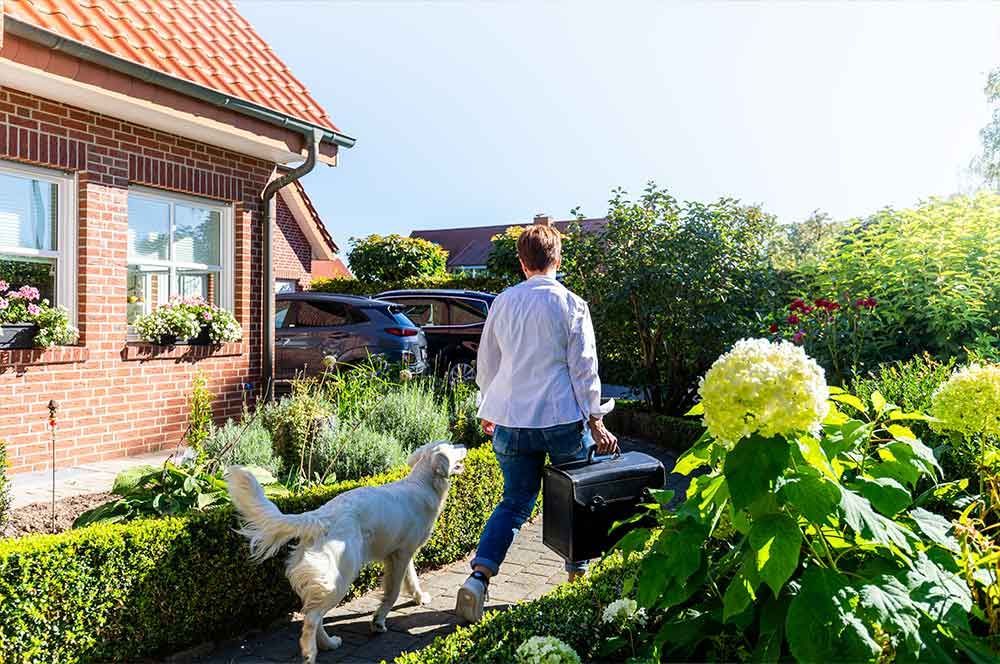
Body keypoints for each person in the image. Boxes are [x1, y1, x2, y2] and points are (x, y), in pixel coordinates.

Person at [454, 224, 618, 623]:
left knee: (513, 502)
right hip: (562, 416)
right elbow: (584, 370)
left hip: (513, 418)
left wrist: (487, 409)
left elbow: (488, 364)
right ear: (557, 258)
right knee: (575, 499)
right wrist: (596, 420)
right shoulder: (572, 304)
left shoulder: (503, 303)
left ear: (522, 261)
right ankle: (578, 582)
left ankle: (478, 578)